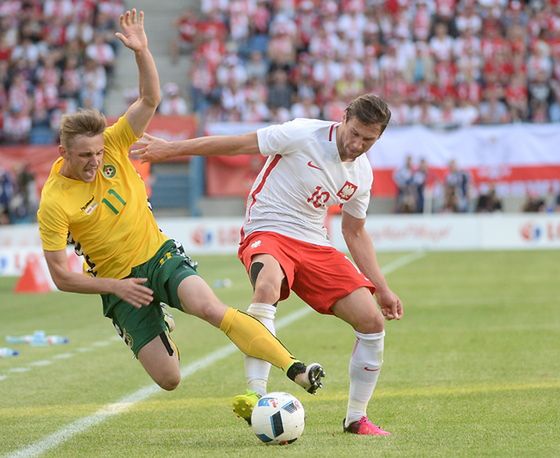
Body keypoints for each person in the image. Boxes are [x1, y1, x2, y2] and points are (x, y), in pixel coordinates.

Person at [36, 9, 323, 396]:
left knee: (210, 308)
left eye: (98, 153)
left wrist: (141, 51)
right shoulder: (53, 201)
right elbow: (61, 276)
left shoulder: (115, 142)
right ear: (63, 152)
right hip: (118, 281)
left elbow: (150, 98)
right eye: (85, 155)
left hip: (159, 256)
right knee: (169, 380)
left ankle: (296, 369)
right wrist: (114, 288)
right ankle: (158, 321)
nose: (95, 161)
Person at [135, 94, 403, 436]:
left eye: (369, 140)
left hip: (314, 243)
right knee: (266, 287)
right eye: (355, 133)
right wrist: (170, 149)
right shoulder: (303, 134)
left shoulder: (362, 175)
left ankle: (356, 418)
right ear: (345, 117)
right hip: (269, 228)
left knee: (372, 321)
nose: (357, 144)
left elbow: (354, 231)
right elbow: (236, 145)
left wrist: (381, 287)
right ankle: (256, 395)